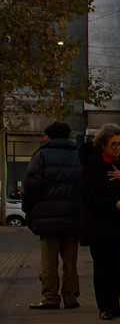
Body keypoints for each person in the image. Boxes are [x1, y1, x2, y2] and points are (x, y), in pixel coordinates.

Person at [79, 124, 120, 320]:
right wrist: (113, 202)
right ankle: (104, 306)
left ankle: (115, 305)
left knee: (117, 266)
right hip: (98, 225)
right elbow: (87, 196)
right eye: (113, 144)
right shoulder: (92, 164)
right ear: (103, 145)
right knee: (102, 266)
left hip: (118, 226)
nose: (117, 148)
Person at [23, 121, 83, 310]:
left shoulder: (41, 156)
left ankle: (50, 298)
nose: (44, 138)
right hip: (73, 217)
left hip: (47, 218)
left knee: (48, 262)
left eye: (45, 135)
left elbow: (30, 187)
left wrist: (29, 209)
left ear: (50, 136)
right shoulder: (78, 156)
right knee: (71, 262)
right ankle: (71, 298)